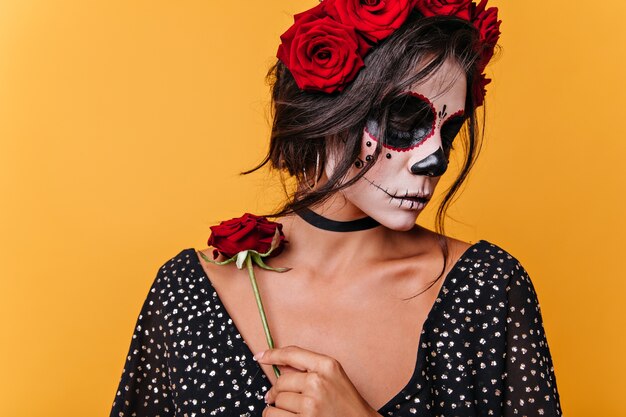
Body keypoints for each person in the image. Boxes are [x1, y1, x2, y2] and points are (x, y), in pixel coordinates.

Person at [109, 1, 562, 416]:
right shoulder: (187, 294)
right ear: (327, 112)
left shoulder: (486, 290)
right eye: (406, 120)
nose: (436, 159)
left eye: (450, 128)